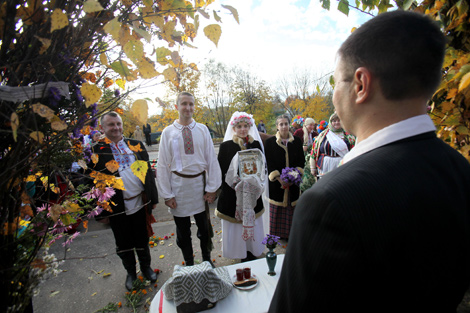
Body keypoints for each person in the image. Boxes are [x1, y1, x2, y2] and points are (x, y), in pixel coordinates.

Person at [269, 11, 470, 313]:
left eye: (336, 82)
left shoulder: (329, 203)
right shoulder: (461, 170)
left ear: (360, 84)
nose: (335, 94)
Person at [89, 112, 159, 291]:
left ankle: (146, 268)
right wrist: (100, 212)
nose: (116, 128)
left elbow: (148, 173)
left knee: (142, 238)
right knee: (123, 243)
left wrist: (153, 198)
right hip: (116, 207)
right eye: (111, 124)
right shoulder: (97, 150)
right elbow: (94, 183)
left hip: (139, 202)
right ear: (103, 128)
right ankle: (131, 273)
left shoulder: (135, 144)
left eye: (118, 124)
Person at [156, 92, 222, 266]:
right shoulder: (168, 132)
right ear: (177, 106)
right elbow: (162, 164)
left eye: (191, 104)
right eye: (184, 104)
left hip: (199, 186)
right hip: (178, 188)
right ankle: (189, 262)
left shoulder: (202, 129)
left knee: (204, 228)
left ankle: (207, 260)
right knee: (183, 231)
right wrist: (167, 194)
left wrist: (212, 187)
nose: (188, 107)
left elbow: (211, 159)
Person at [216, 111, 268, 262]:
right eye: (239, 126)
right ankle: (238, 252)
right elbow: (222, 169)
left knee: (253, 218)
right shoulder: (226, 146)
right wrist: (236, 182)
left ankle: (252, 250)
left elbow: (261, 166)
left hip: (252, 191)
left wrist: (255, 182)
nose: (243, 129)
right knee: (237, 222)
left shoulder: (256, 144)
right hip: (233, 191)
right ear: (234, 128)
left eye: (246, 126)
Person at [264, 114, 304, 240]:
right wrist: (279, 178)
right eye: (281, 124)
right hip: (277, 183)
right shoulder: (270, 142)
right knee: (278, 207)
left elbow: (301, 161)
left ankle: (291, 233)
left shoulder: (297, 141)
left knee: (291, 206)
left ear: (289, 125)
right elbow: (268, 162)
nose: (284, 126)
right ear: (277, 127)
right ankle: (277, 234)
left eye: (286, 123)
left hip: (294, 182)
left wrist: (293, 177)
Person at [309, 112, 355, 179]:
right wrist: (312, 168)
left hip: (342, 165)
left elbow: (354, 151)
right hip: (325, 166)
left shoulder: (349, 136)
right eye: (334, 121)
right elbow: (314, 152)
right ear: (330, 122)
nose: (337, 122)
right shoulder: (322, 136)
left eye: (339, 120)